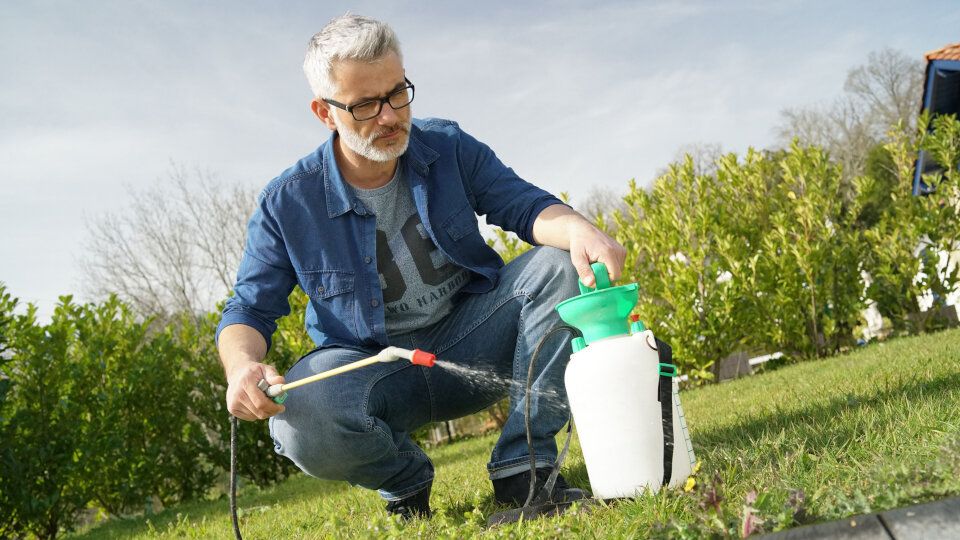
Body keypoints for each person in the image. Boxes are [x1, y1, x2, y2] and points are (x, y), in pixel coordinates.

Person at [217, 13, 626, 519]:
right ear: (325, 113)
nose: (389, 116)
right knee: (300, 417)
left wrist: (579, 230)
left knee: (561, 263)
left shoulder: (447, 146)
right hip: (379, 374)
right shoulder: (286, 203)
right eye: (365, 105)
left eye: (397, 93)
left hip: (474, 342)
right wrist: (241, 367)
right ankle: (405, 483)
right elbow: (249, 310)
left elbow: (524, 205)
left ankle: (524, 470)